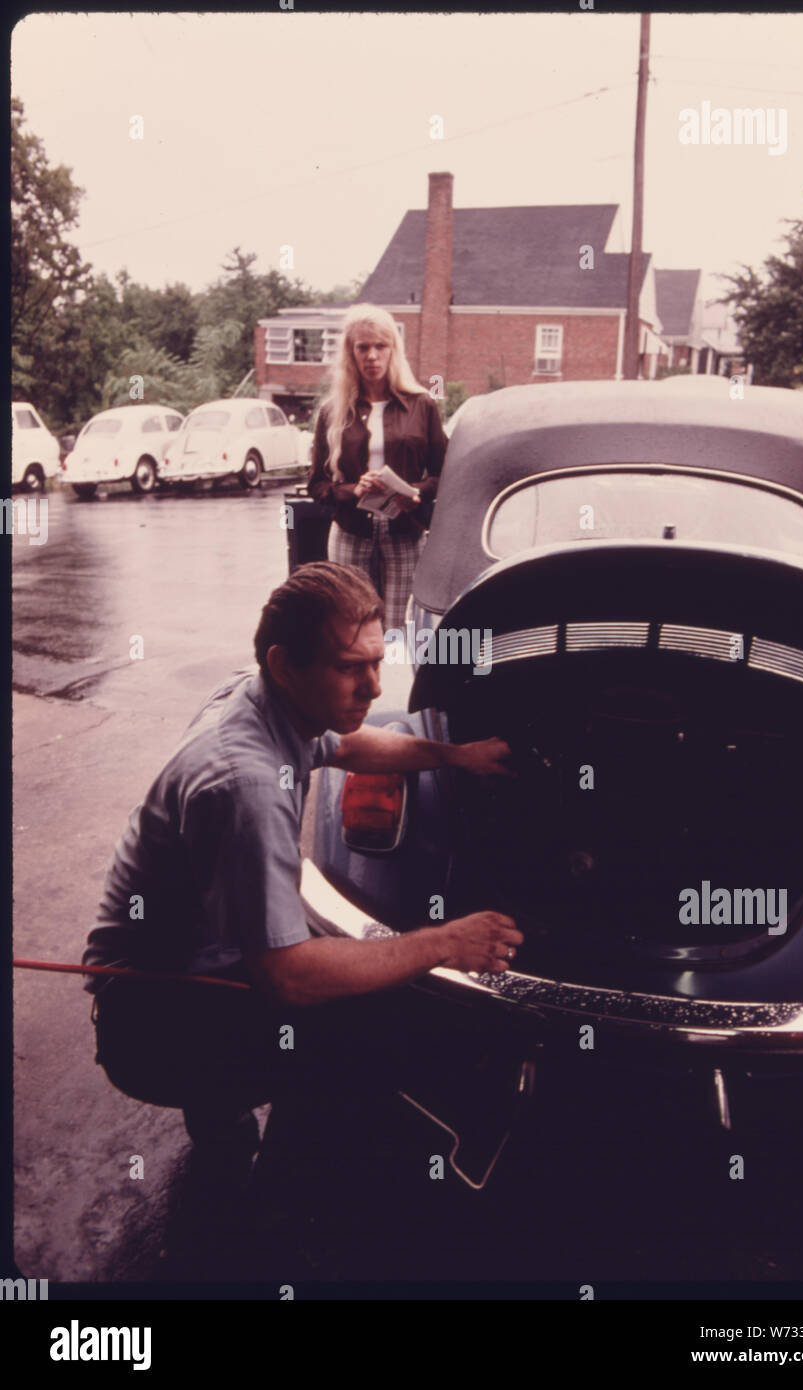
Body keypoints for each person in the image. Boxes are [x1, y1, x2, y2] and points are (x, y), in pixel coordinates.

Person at [83, 562, 522, 1183]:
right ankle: (288, 1197)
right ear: (286, 664)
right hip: (150, 1015)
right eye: (349, 668)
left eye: (377, 662)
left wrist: (453, 756)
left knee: (323, 973)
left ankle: (221, 1123)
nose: (372, 687)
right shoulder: (247, 784)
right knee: (373, 1023)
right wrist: (447, 942)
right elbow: (288, 977)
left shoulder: (261, 694)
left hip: (175, 962)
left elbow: (347, 745)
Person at [307, 304, 446, 629]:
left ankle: (395, 682)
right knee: (351, 627)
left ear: (393, 350)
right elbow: (316, 484)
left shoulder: (421, 405)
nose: (372, 355)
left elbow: (445, 474)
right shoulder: (332, 411)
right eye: (363, 347)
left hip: (405, 531)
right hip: (351, 531)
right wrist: (352, 489)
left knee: (400, 629)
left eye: (380, 346)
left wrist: (416, 493)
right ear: (351, 353)